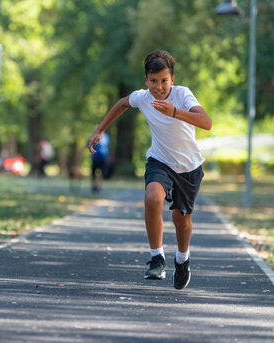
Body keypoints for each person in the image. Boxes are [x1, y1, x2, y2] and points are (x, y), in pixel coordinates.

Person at [87, 50, 212, 290]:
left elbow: (206, 123)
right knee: (152, 198)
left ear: (172, 79)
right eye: (153, 81)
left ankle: (182, 260)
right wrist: (100, 129)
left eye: (164, 80)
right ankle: (157, 258)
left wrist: (173, 112)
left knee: (181, 220)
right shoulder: (143, 97)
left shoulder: (183, 94)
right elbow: (123, 104)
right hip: (160, 160)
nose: (159, 87)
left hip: (189, 167)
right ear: (146, 80)